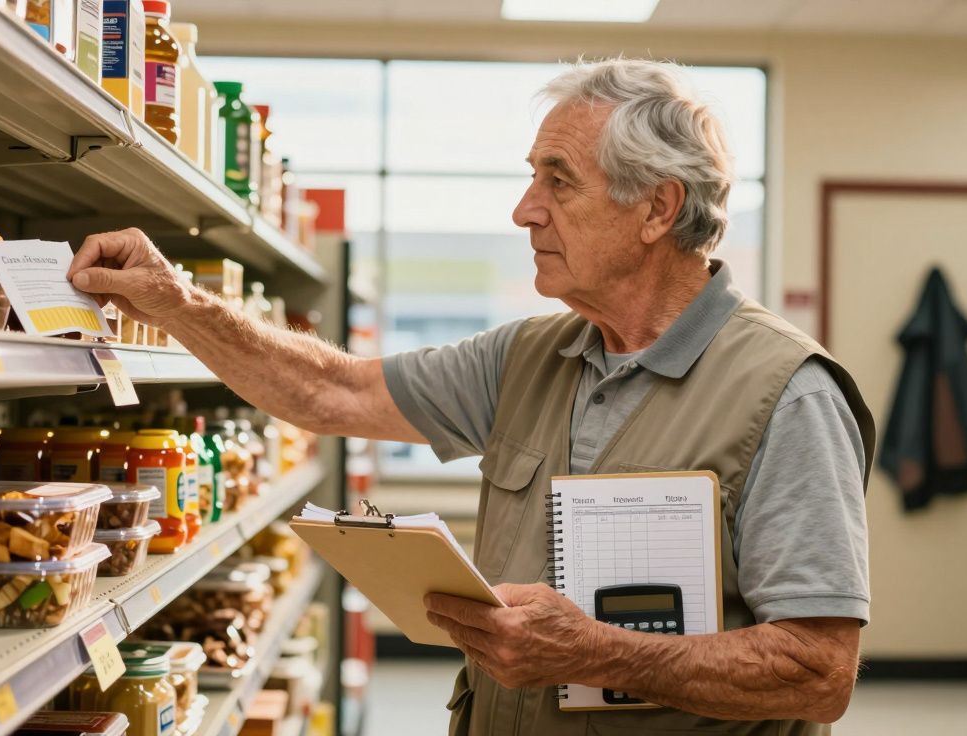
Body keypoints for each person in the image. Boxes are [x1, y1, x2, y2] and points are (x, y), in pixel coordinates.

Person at [69, 58, 875, 736]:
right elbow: (332, 390)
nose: (525, 211)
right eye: (532, 177)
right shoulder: (527, 356)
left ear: (657, 209)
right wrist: (179, 303)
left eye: (559, 181)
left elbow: (817, 671)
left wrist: (599, 653)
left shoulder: (786, 394)